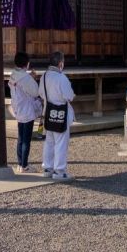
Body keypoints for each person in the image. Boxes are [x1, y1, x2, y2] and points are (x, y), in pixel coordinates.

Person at [39, 50, 75, 180]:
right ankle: (59, 170)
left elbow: (41, 93)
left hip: (48, 111)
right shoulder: (61, 78)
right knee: (60, 141)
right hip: (61, 112)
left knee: (49, 141)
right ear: (60, 63)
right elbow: (69, 96)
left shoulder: (44, 76)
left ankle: (47, 167)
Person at [9, 51, 41, 173]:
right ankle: (24, 165)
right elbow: (35, 92)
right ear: (27, 64)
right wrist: (32, 79)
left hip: (18, 108)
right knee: (26, 139)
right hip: (27, 110)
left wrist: (30, 78)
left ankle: (20, 163)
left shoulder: (14, 74)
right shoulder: (26, 78)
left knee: (20, 137)